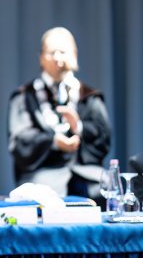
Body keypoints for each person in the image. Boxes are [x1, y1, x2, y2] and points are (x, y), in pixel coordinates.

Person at [8, 26, 111, 200]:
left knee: (108, 190)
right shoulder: (25, 97)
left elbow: (104, 139)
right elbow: (20, 140)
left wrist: (78, 127)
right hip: (44, 175)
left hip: (87, 175)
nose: (57, 58)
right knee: (41, 198)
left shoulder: (89, 97)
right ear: (41, 58)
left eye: (63, 52)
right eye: (51, 52)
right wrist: (53, 142)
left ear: (74, 55)